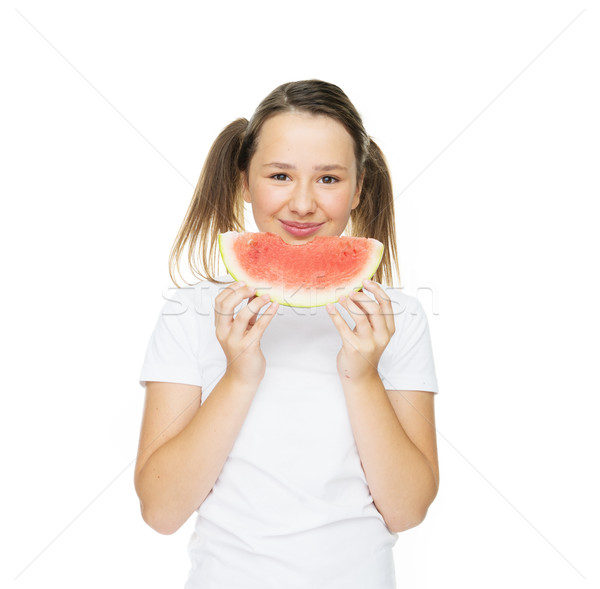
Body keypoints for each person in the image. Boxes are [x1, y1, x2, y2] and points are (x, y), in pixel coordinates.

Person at [135, 80, 439, 589]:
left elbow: (408, 510)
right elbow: (161, 511)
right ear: (244, 182)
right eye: (279, 175)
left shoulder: (395, 319)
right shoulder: (188, 314)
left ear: (359, 187)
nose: (302, 204)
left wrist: (362, 376)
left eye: (328, 178)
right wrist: (239, 375)